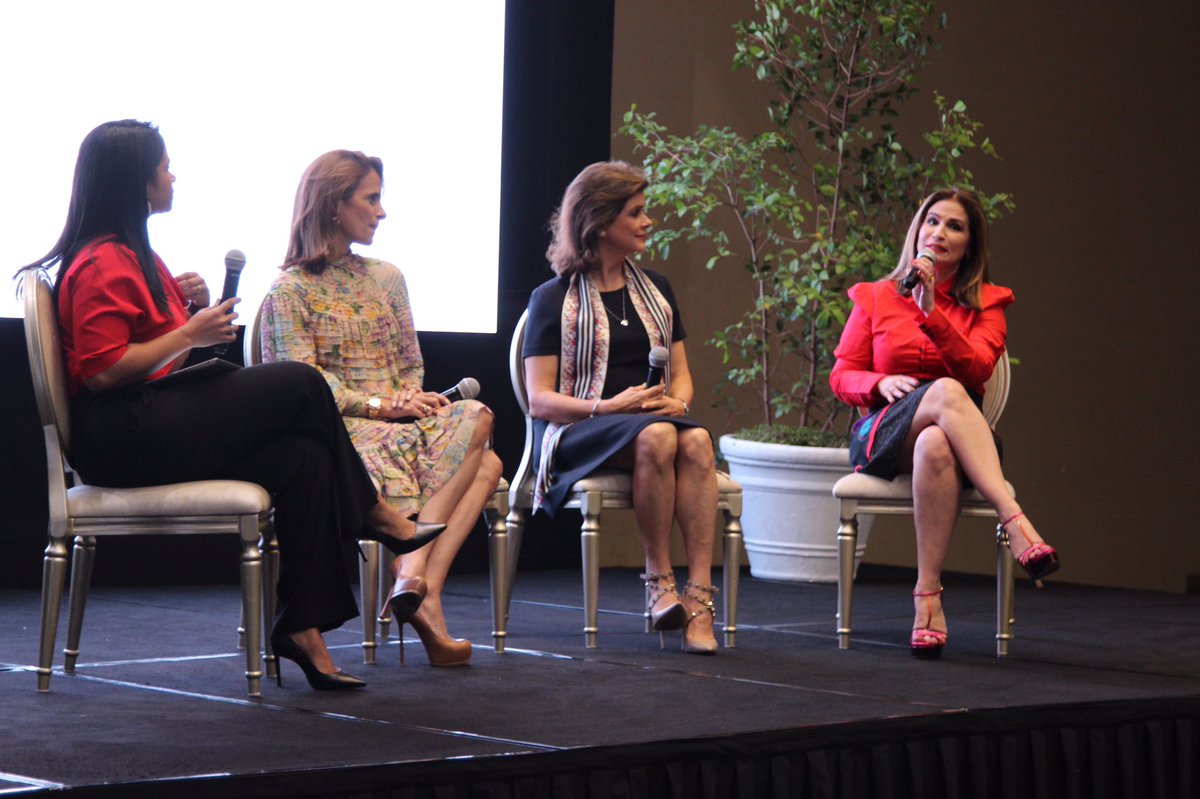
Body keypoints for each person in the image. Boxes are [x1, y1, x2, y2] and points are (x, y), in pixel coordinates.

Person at [16, 120, 444, 691]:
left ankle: (303, 629)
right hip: (120, 435)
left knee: (304, 459)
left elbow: (153, 348)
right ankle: (373, 512)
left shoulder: (132, 254)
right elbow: (101, 372)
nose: (172, 176)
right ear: (136, 182)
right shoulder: (102, 261)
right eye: (164, 167)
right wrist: (187, 333)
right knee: (299, 382)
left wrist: (182, 308)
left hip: (147, 420)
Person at [260, 150, 501, 667]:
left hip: (399, 419)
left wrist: (410, 398)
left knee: (477, 415)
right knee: (489, 463)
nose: (381, 212)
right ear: (332, 205)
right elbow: (300, 385)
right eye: (371, 199)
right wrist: (377, 407)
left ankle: (414, 575)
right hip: (338, 433)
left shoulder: (387, 277)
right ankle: (423, 598)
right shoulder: (289, 291)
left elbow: (409, 362)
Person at [829, 187, 1060, 659]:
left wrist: (932, 312)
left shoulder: (989, 304)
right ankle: (1013, 519)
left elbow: (976, 370)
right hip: (885, 433)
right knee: (946, 394)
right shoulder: (874, 296)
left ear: (971, 246)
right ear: (917, 228)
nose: (939, 233)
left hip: (956, 441)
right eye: (932, 221)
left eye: (954, 226)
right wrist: (878, 383)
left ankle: (927, 598)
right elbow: (841, 375)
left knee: (937, 436)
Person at [523, 161, 721, 655]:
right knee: (658, 436)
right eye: (635, 212)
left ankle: (698, 598)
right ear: (600, 222)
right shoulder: (551, 300)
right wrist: (608, 406)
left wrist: (679, 401)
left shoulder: (656, 290)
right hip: (580, 429)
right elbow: (539, 399)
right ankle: (658, 578)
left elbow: (682, 374)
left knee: (693, 437)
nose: (647, 221)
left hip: (653, 422)